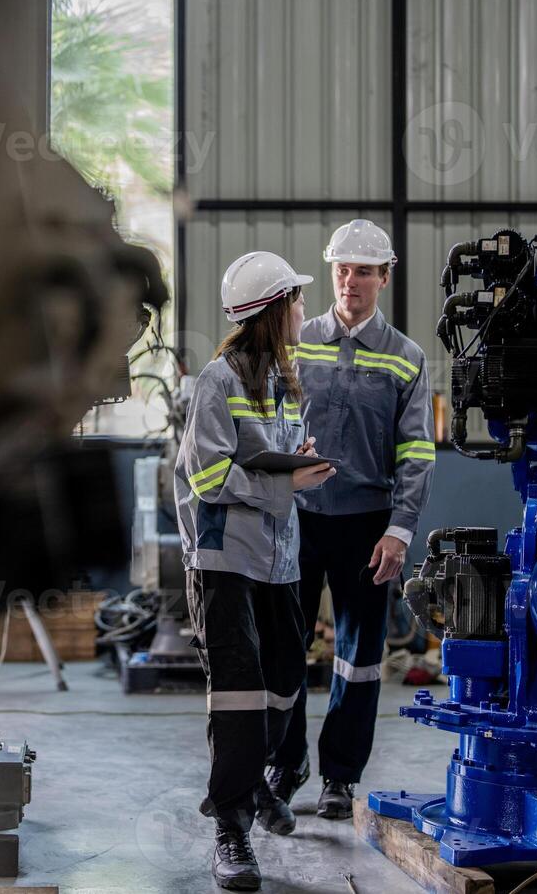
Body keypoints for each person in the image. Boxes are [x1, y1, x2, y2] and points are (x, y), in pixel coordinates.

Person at [264, 219, 436, 821]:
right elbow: (264, 421)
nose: (350, 280)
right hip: (297, 521)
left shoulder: (407, 360)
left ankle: (340, 774)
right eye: (341, 268)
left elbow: (416, 453)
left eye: (364, 270)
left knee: (360, 660)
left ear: (384, 278)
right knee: (285, 649)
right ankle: (284, 767)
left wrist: (401, 529)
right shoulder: (296, 341)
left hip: (370, 526)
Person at [175, 251, 336, 891]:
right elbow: (207, 475)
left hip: (278, 557)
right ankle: (233, 830)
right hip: (225, 559)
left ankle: (242, 787)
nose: (304, 309)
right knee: (240, 692)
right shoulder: (219, 381)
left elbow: (269, 458)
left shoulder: (280, 379)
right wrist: (285, 483)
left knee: (287, 680)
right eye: (296, 300)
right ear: (273, 312)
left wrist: (299, 461)